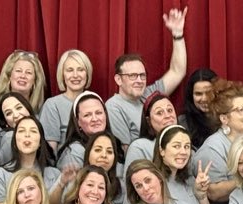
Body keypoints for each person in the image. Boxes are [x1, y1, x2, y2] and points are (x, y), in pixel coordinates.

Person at [105, 7, 189, 147]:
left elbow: (177, 71)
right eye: (132, 76)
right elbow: (126, 150)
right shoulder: (114, 107)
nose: (139, 80)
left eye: (142, 75)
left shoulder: (150, 94)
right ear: (118, 79)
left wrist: (178, 34)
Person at [0, 51, 48, 132]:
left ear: (35, 81)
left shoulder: (44, 112)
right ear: (9, 76)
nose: (23, 76)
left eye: (28, 72)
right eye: (18, 71)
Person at [41, 50, 93, 149]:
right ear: (62, 74)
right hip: (66, 161)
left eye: (80, 69)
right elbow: (50, 150)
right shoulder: (52, 105)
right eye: (70, 70)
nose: (75, 75)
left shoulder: (96, 103)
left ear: (87, 73)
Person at [180, 68, 220, 149]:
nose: (204, 99)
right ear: (191, 96)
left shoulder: (228, 117)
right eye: (198, 94)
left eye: (209, 93)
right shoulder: (182, 123)